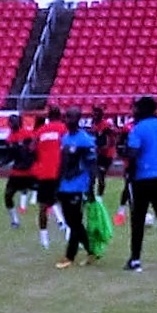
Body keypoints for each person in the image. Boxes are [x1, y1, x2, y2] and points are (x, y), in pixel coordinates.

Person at [125, 96, 157, 273]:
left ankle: (135, 260)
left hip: (142, 178)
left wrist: (130, 175)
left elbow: (133, 154)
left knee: (138, 220)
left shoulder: (138, 129)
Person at [55, 107, 98, 269]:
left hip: (78, 186)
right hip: (64, 186)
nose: (68, 120)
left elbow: (92, 165)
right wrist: (56, 183)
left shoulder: (85, 140)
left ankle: (69, 256)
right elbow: (62, 163)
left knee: (74, 221)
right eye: (67, 117)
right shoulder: (65, 138)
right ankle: (91, 251)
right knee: (71, 221)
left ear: (78, 119)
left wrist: (91, 187)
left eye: (71, 117)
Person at [32, 105, 68, 249]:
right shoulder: (64, 129)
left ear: (48, 116)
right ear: (60, 116)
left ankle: (44, 239)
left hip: (44, 172)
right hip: (59, 171)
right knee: (65, 203)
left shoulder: (40, 131)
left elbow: (31, 148)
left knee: (43, 206)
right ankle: (68, 232)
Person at [0, 114, 36, 228]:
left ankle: (60, 220)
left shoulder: (28, 135)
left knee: (46, 193)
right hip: (17, 173)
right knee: (8, 195)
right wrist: (1, 164)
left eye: (15, 121)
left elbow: (34, 150)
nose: (14, 123)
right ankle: (15, 220)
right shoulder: (9, 139)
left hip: (30, 171)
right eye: (12, 122)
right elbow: (10, 156)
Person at [88, 105, 116, 201]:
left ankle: (99, 197)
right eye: (94, 112)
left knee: (101, 175)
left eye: (97, 112)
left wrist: (103, 148)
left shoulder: (106, 125)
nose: (94, 114)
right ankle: (91, 197)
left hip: (106, 155)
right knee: (92, 176)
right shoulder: (94, 124)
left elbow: (110, 141)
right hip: (97, 153)